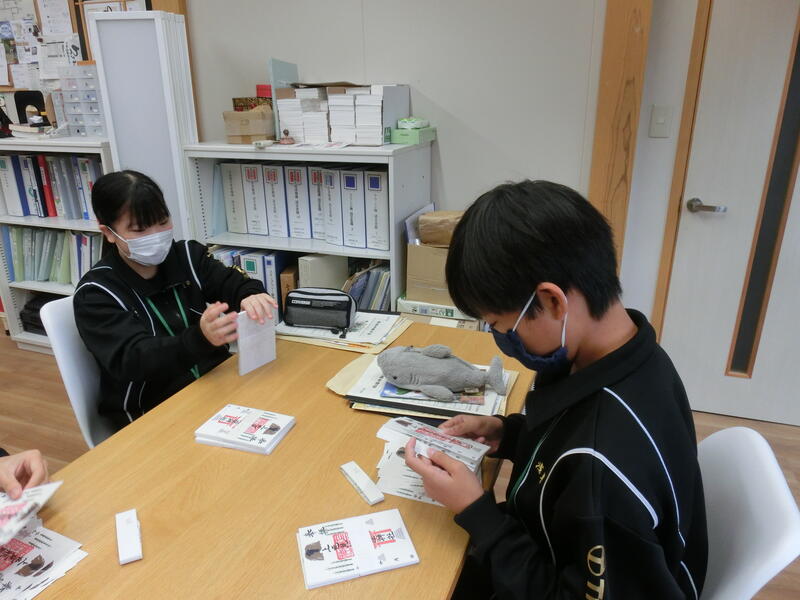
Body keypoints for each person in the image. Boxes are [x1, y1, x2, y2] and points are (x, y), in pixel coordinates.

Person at [404, 180, 707, 599]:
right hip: (549, 542)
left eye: (498, 324)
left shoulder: (603, 471)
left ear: (552, 301)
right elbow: (567, 437)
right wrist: (508, 434)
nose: (501, 337)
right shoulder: (631, 352)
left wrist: (477, 513)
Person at [74, 170, 278, 431]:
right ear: (109, 232)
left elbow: (233, 283)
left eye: (163, 222)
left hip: (213, 386)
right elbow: (134, 360)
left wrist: (251, 295)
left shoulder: (188, 256)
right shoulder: (96, 294)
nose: (156, 234)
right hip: (151, 411)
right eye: (140, 229)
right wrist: (200, 339)